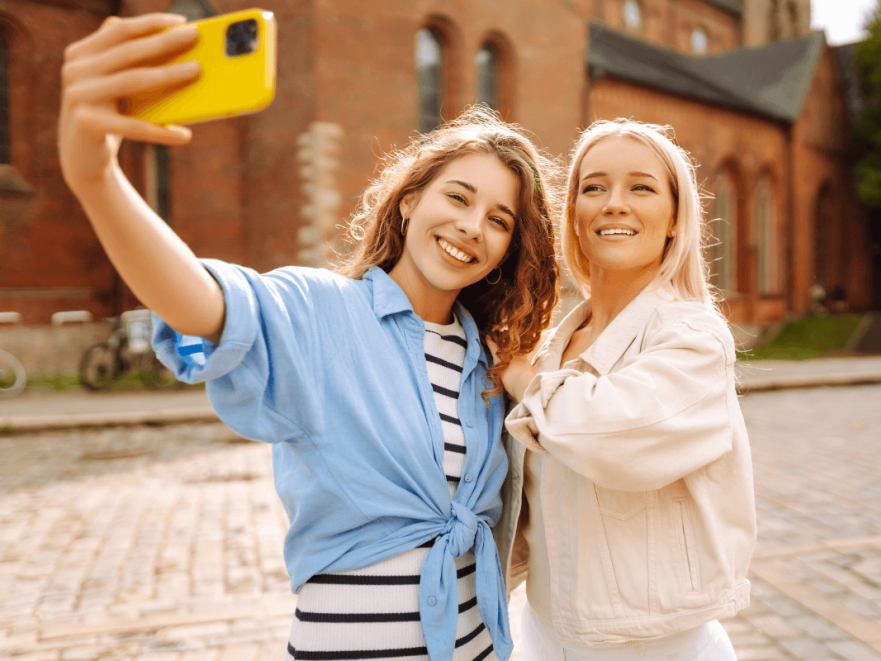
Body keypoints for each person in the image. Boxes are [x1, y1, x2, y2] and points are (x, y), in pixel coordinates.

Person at [58, 14, 560, 661]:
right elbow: (205, 302)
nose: (472, 226)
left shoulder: (486, 359)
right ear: (409, 201)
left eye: (499, 220)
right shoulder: (323, 312)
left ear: (506, 251)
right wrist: (96, 180)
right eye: (458, 197)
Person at [491, 120, 756, 661]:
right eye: (593, 187)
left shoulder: (693, 338)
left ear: (675, 217)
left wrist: (519, 377)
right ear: (574, 216)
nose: (614, 203)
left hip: (655, 645)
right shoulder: (554, 343)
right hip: (544, 632)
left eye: (641, 187)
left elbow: (607, 436)